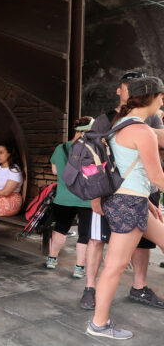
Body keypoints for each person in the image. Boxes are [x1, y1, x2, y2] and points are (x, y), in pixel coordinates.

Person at [86, 76, 164, 339]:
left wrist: (145, 200)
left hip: (130, 199)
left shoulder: (122, 124)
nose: (162, 102)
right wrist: (142, 198)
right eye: (161, 97)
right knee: (115, 267)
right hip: (129, 203)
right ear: (150, 98)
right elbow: (157, 177)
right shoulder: (142, 131)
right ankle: (98, 324)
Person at [45, 117, 94, 278]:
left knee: (60, 228)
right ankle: (79, 268)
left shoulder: (60, 149)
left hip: (64, 197)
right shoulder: (90, 149)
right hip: (86, 198)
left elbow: (54, 171)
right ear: (87, 131)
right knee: (84, 234)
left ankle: (52, 258)